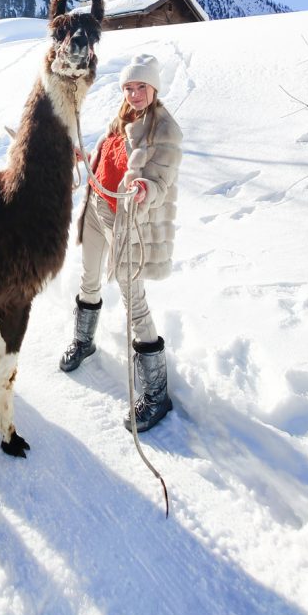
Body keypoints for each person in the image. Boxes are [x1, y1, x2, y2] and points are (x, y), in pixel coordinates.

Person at [59, 53, 183, 433]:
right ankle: (84, 342)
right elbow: (109, 156)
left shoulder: (165, 130)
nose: (133, 93)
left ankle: (157, 395)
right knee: (89, 279)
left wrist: (147, 187)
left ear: (154, 88)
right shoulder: (122, 117)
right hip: (97, 208)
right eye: (129, 87)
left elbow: (162, 179)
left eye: (140, 86)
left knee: (134, 301)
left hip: (129, 219)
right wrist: (87, 156)